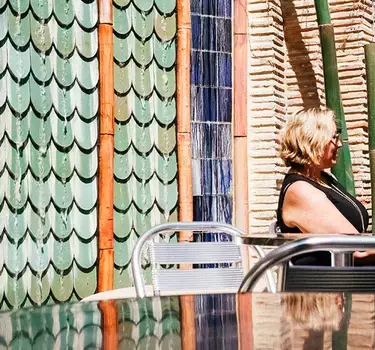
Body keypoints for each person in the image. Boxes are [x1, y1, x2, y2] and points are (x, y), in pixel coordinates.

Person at [277, 107, 369, 265]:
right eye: (334, 137)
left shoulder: (324, 178)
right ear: (314, 141)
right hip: (322, 284)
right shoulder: (301, 190)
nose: (339, 144)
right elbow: (357, 250)